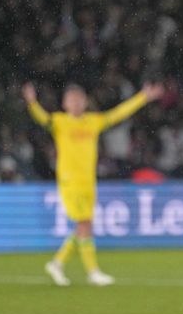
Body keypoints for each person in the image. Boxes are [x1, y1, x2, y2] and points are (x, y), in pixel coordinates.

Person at [23, 79, 163, 286]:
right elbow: (42, 118)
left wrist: (143, 97)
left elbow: (118, 113)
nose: (76, 103)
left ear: (86, 102)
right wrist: (32, 103)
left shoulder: (93, 121)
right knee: (84, 223)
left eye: (80, 99)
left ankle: (57, 263)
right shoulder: (59, 122)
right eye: (72, 100)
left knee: (83, 225)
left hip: (88, 181)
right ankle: (92, 271)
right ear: (65, 104)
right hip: (69, 182)